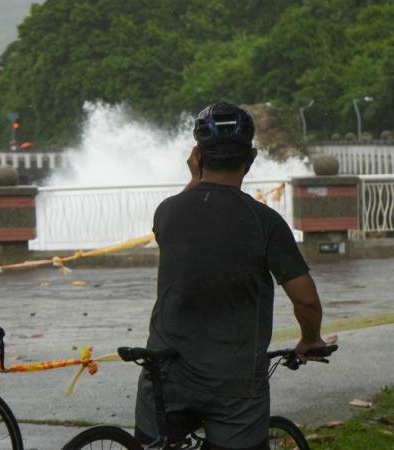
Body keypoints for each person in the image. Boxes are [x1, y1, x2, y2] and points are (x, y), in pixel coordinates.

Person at [134, 102, 329, 450]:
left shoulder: (167, 212)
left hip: (164, 377)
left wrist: (195, 179)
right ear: (251, 158)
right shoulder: (265, 223)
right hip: (234, 386)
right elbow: (306, 300)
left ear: (197, 155)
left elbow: (179, 224)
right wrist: (309, 338)